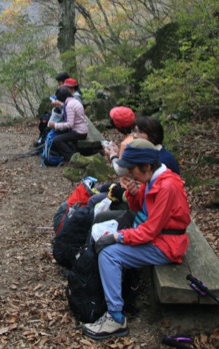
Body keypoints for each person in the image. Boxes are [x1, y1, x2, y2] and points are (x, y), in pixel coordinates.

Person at [82, 140, 191, 340]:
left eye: (133, 170)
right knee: (103, 238)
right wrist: (133, 193)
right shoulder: (152, 180)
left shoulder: (167, 186)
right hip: (155, 237)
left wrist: (117, 237)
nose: (131, 175)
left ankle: (116, 318)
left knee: (109, 254)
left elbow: (149, 231)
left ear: (147, 166)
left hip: (166, 245)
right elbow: (140, 207)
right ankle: (113, 296)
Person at [47, 86, 89, 163]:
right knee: (60, 134)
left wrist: (55, 125)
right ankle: (72, 153)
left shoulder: (69, 106)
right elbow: (68, 108)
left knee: (57, 139)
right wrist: (60, 104)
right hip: (82, 129)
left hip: (79, 132)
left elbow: (69, 124)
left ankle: (72, 158)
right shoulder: (74, 101)